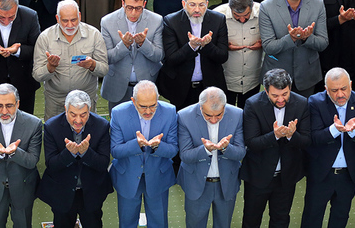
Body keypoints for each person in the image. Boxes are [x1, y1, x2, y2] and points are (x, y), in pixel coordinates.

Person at [301, 67, 355, 227]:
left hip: (348, 175)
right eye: (334, 90)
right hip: (321, 173)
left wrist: (354, 131)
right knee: (312, 217)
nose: (340, 94)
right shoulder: (315, 102)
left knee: (340, 217)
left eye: (344, 89)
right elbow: (314, 137)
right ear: (326, 90)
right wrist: (334, 130)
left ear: (351, 85)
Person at [241, 68, 311, 228]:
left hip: (286, 177)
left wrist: (292, 135)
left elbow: (307, 141)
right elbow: (251, 142)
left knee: (281, 220)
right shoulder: (253, 104)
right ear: (266, 91)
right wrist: (275, 135)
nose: (281, 99)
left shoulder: (301, 103)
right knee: (251, 219)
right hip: (258, 176)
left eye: (285, 94)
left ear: (290, 89)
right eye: (275, 95)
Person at [38, 90, 113, 228]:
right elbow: (51, 165)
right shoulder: (51, 127)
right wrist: (69, 154)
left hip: (92, 192)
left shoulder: (102, 126)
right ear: (66, 109)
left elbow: (103, 163)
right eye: (73, 114)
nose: (78, 120)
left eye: (83, 115)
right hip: (62, 192)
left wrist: (86, 153)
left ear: (89, 110)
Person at [0, 83, 43, 228]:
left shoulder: (34, 124)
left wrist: (14, 152)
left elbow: (32, 161)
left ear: (18, 104)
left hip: (23, 187)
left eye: (9, 105)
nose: (4, 111)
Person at [109, 80, 178, 227]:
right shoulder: (118, 113)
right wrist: (136, 145)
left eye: (153, 105)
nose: (148, 111)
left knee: (159, 223)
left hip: (158, 176)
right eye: (143, 106)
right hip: (127, 177)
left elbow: (173, 149)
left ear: (158, 98)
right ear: (133, 101)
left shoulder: (170, 112)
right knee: (127, 223)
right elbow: (115, 150)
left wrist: (158, 147)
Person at [177, 87, 245, 228]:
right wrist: (205, 150)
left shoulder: (238, 115)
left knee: (223, 225)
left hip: (226, 183)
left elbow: (240, 153)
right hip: (196, 184)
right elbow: (185, 155)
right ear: (200, 107)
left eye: (219, 115)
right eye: (208, 115)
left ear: (224, 107)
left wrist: (226, 148)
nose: (213, 120)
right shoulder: (184, 116)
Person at [258, 0, 328, 96]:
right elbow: (268, 46)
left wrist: (307, 38)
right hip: (276, 75)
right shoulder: (267, 7)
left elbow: (323, 42)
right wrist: (291, 38)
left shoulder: (317, 3)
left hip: (307, 74)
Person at [33, 0, 108, 119]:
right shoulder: (45, 38)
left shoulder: (94, 34)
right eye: (65, 21)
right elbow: (37, 75)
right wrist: (50, 68)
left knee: (87, 135)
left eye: (73, 20)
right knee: (56, 135)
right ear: (57, 18)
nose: (70, 25)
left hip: (85, 99)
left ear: (79, 16)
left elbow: (104, 70)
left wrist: (92, 65)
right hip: (56, 101)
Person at [158, 0, 228, 109]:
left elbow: (223, 56)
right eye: (192, 5)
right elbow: (171, 59)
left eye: (201, 5)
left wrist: (207, 45)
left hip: (210, 86)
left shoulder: (218, 20)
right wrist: (191, 46)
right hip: (181, 88)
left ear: (207, 3)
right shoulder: (171, 21)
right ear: (184, 3)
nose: (197, 9)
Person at [100, 0, 164, 107]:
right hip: (117, 86)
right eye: (129, 8)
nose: (134, 13)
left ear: (144, 4)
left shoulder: (156, 20)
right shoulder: (107, 22)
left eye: (138, 8)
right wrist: (123, 45)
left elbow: (159, 56)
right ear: (122, 3)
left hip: (147, 86)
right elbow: (106, 58)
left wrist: (143, 44)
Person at [212, 0, 262, 108]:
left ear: (252, 5)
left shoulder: (263, 12)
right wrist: (223, 46)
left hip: (252, 79)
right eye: (237, 16)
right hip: (226, 79)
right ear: (230, 8)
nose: (242, 19)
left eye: (246, 15)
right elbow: (209, 46)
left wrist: (264, 44)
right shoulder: (217, 15)